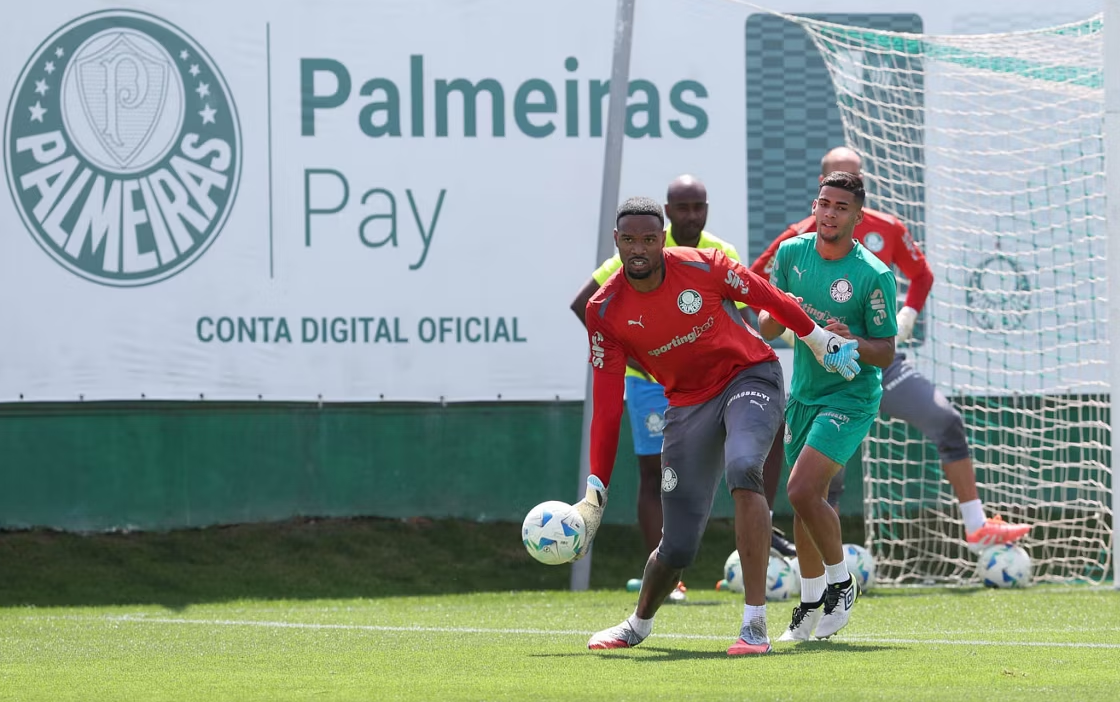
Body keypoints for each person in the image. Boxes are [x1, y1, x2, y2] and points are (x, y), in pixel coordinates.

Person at [574, 196, 859, 655]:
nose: (639, 249)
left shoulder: (703, 264)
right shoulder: (604, 310)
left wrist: (818, 339)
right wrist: (595, 491)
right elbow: (607, 407)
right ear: (617, 241)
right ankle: (638, 624)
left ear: (662, 238)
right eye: (629, 240)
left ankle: (754, 625)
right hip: (687, 403)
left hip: (750, 376)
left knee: (744, 467)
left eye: (648, 239)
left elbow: (768, 296)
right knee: (678, 546)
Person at [750, 147, 1031, 551]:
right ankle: (817, 569)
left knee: (946, 419)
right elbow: (757, 285)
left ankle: (976, 526)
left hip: (880, 362)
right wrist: (800, 333)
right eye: (833, 189)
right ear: (821, 188)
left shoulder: (887, 229)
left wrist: (908, 315)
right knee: (820, 484)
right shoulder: (797, 241)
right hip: (827, 376)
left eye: (855, 179)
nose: (838, 202)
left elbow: (922, 275)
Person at [570, 176, 797, 606]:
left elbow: (749, 308)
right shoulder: (620, 278)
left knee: (745, 462)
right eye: (683, 207)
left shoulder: (714, 254)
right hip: (660, 387)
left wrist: (806, 337)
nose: (692, 215)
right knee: (656, 480)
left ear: (663, 237)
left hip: (734, 377)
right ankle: (657, 596)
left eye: (698, 206)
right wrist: (642, 361)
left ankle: (756, 600)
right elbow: (586, 308)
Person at [756, 171, 896, 641]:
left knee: (799, 489)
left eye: (841, 207)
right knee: (804, 503)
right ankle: (811, 602)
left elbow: (886, 352)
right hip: (804, 394)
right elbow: (766, 328)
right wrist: (782, 310)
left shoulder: (873, 274)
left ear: (858, 217)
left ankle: (842, 582)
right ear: (814, 206)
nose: (830, 213)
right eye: (824, 204)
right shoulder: (790, 254)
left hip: (851, 397)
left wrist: (849, 341)